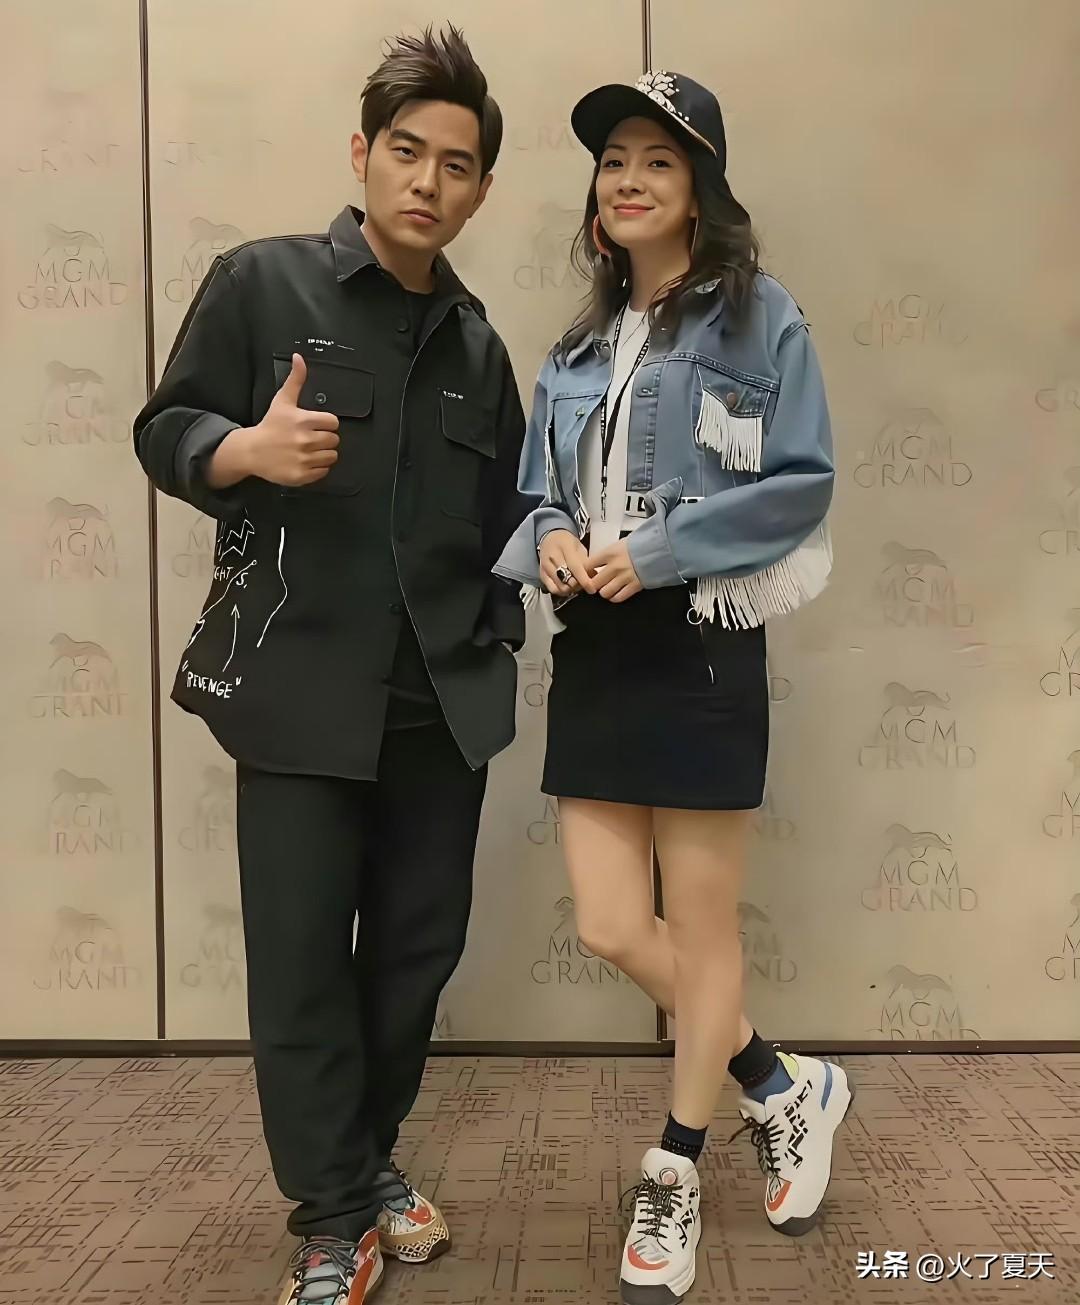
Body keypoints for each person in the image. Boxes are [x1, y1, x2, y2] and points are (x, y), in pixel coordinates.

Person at [134, 27, 533, 1305]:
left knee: (413, 961)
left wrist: (502, 638)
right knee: (302, 961)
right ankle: (332, 1216)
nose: (427, 180)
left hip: (440, 709)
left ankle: (363, 1162)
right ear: (362, 153)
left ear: (480, 190)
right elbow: (164, 426)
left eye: (456, 165)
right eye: (406, 151)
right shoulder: (260, 285)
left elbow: (506, 524)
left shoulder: (480, 348)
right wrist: (244, 453)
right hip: (299, 695)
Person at [495, 70, 854, 1304]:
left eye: (659, 159)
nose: (630, 179)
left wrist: (653, 551)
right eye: (613, 162)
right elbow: (536, 491)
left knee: (702, 932)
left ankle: (677, 1164)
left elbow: (800, 483)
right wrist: (550, 537)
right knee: (609, 924)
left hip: (699, 639)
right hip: (595, 648)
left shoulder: (761, 319)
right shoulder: (575, 351)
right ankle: (781, 1083)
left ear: (701, 188)